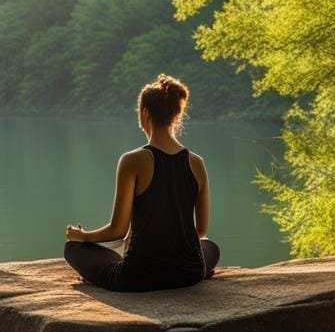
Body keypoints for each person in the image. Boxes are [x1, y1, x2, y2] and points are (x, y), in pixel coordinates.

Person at [63, 74, 220, 291]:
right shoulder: (197, 163)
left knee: (73, 249)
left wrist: (82, 236)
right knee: (210, 247)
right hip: (189, 273)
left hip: (138, 278)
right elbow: (201, 231)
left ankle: (93, 253)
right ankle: (200, 270)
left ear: (145, 113)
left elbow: (118, 229)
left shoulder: (132, 161)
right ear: (177, 115)